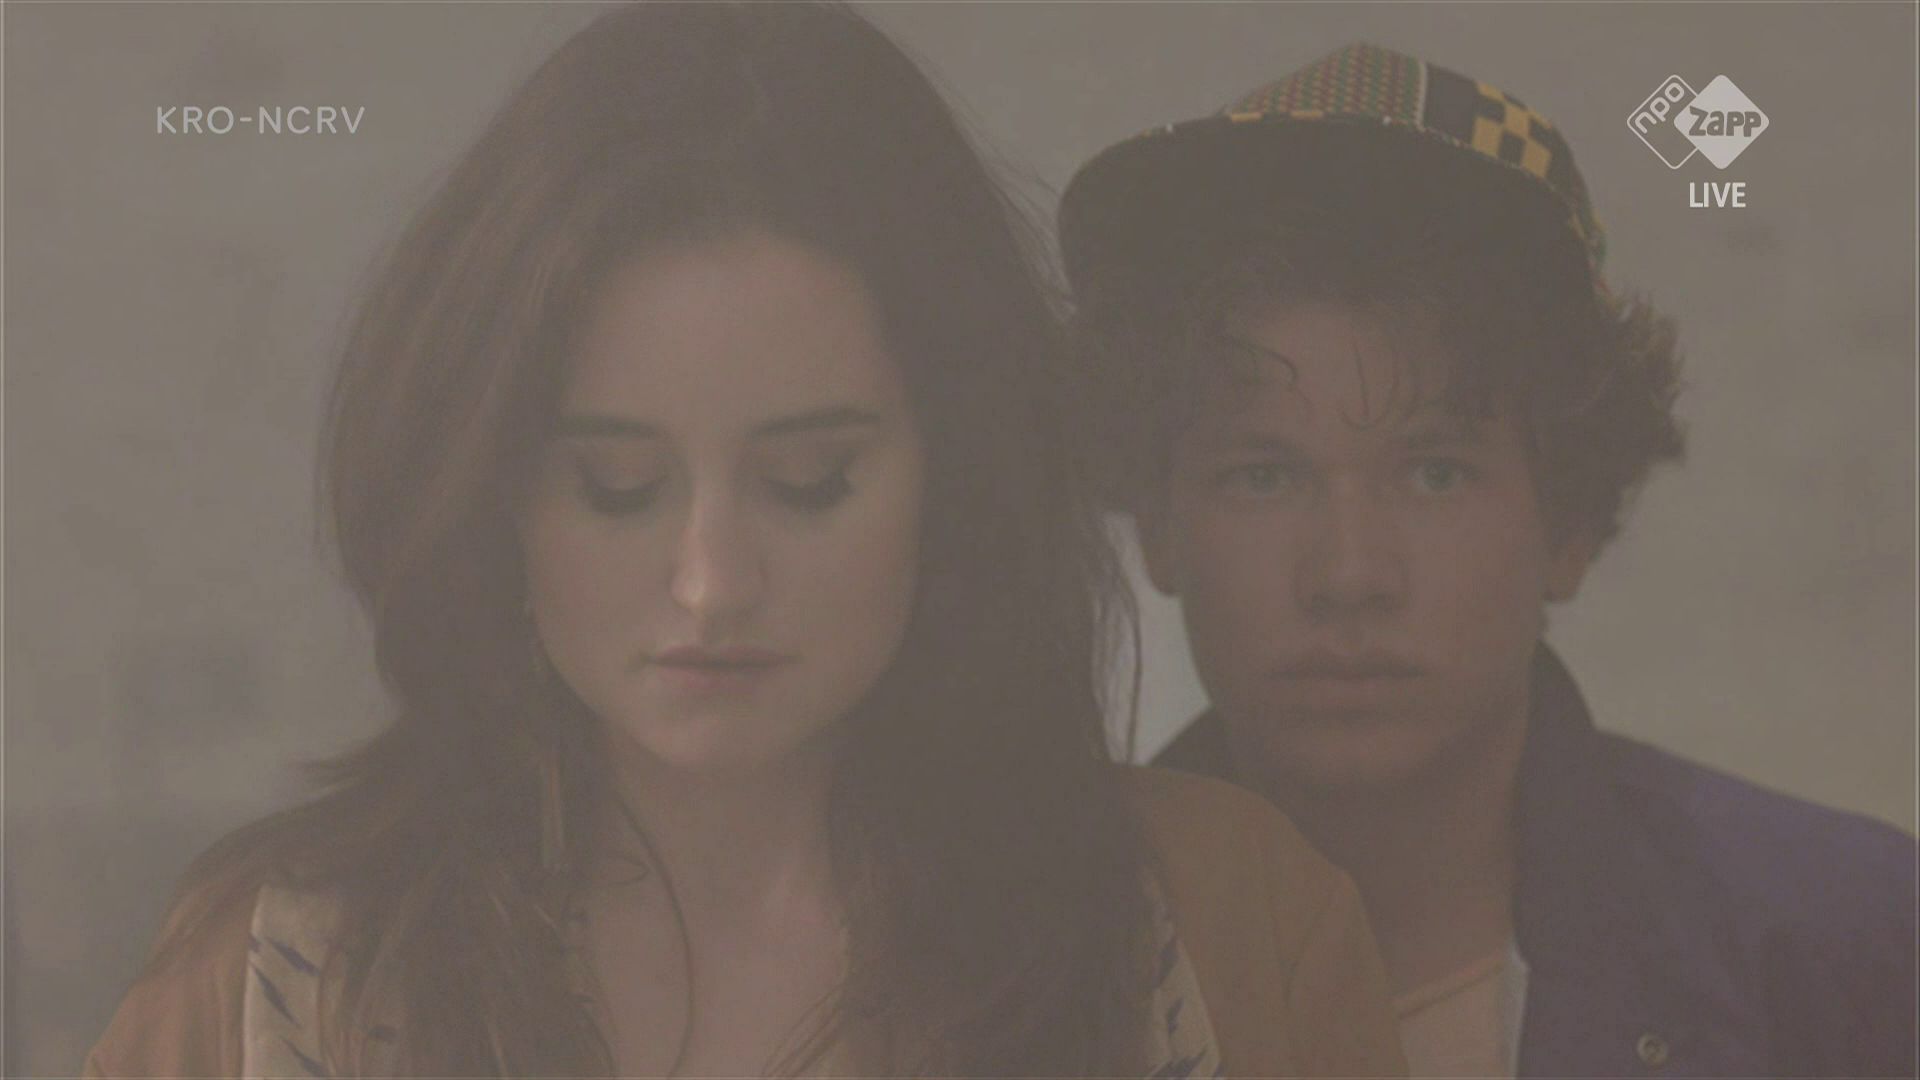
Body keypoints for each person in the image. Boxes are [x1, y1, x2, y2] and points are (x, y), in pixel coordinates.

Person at [83, 7, 1406, 1077]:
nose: (712, 582)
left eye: (809, 482)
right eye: (616, 486)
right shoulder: (271, 969)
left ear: (955, 477)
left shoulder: (1223, 924)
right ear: (490, 496)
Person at [1060, 42, 1918, 1080]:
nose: (1348, 575)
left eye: (1435, 474)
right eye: (1263, 477)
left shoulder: (1852, 948)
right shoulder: (1007, 964)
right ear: (1160, 522)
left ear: (1569, 525)